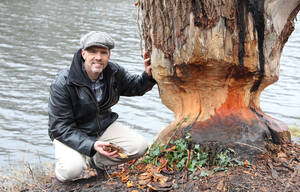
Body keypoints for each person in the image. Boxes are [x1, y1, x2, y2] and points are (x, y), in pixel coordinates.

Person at [48, 31, 156, 182]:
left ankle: (95, 161)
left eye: (103, 52)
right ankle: (69, 166)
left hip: (101, 128)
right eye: (93, 52)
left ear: (108, 56)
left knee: (139, 147)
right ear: (83, 53)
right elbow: (59, 127)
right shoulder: (63, 83)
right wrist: (91, 145)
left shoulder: (113, 72)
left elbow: (134, 87)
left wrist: (148, 76)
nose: (98, 57)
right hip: (70, 133)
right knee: (72, 170)